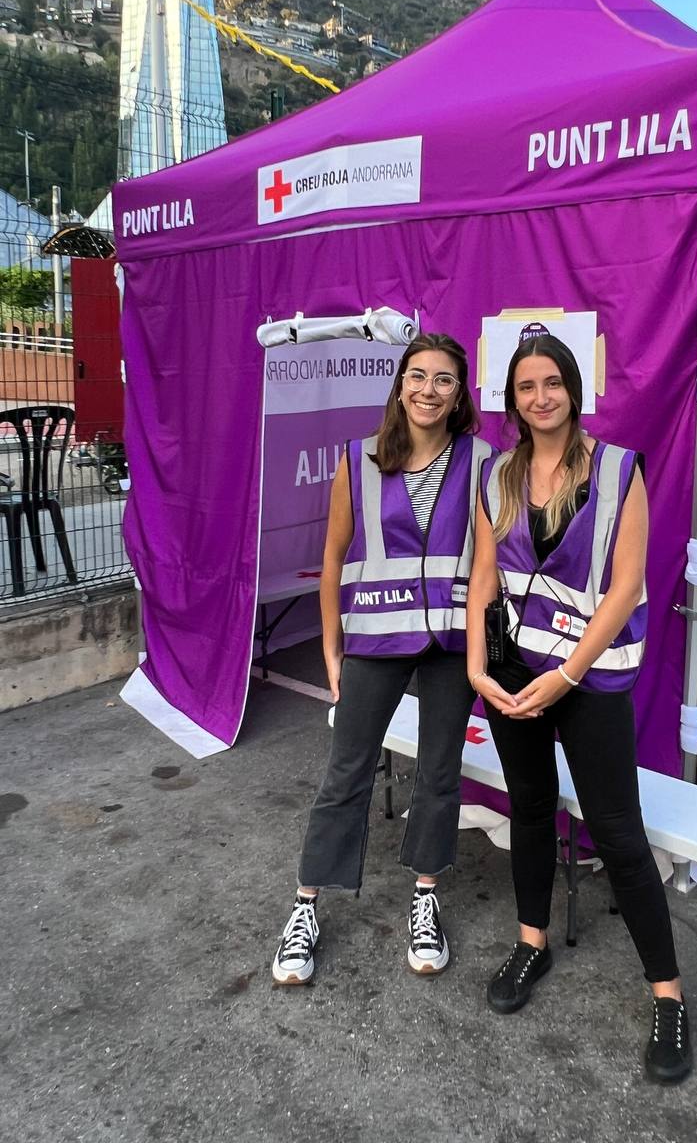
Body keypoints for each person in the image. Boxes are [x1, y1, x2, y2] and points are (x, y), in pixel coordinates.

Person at [465, 334, 693, 1083]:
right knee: (529, 809)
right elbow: (485, 580)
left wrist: (565, 674)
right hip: (512, 676)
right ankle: (531, 944)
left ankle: (668, 995)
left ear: (573, 389)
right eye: (526, 385)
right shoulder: (498, 476)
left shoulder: (619, 470)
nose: (540, 397)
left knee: (620, 835)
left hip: (586, 681)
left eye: (552, 382)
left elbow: (626, 586)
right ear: (513, 399)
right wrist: (477, 665)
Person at [272, 333, 492, 985]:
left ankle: (426, 896)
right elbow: (334, 558)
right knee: (346, 774)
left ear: (459, 394)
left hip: (451, 644)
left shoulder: (484, 462)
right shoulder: (357, 457)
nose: (428, 389)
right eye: (417, 375)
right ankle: (306, 904)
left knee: (439, 774)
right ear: (400, 384)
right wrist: (331, 651)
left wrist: (481, 655)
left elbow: (488, 566)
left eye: (444, 379)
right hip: (372, 640)